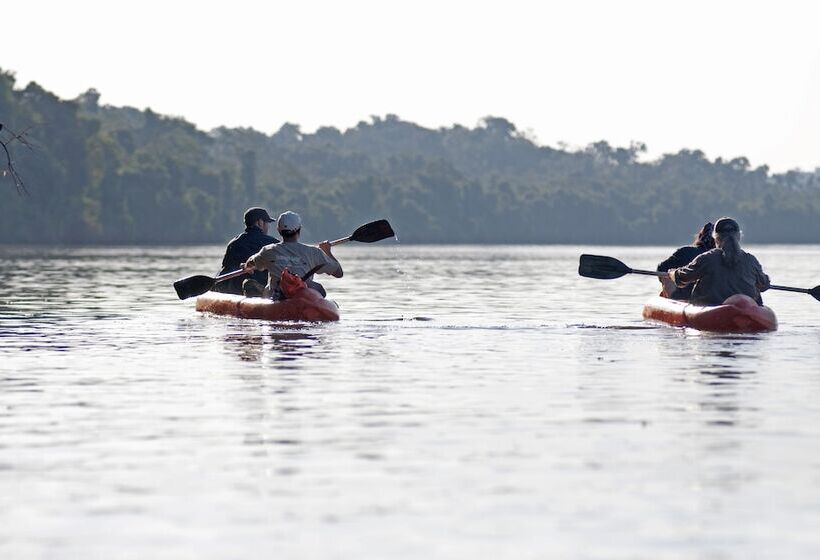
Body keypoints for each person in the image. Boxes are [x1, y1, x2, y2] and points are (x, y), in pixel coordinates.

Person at [667, 217, 770, 306]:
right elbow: (764, 285)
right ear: (738, 237)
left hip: (710, 310)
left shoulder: (707, 258)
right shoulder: (751, 260)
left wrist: (672, 273)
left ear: (716, 239)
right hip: (745, 311)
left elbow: (682, 278)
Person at [241, 211, 343, 299]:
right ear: (300, 229)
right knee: (319, 289)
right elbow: (338, 273)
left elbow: (250, 263)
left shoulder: (268, 251)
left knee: (250, 284)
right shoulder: (313, 252)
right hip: (302, 298)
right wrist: (327, 251)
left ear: (279, 230)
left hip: (275, 298)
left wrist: (246, 266)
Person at [213, 207, 279, 295]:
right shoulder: (273, 243)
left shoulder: (233, 243)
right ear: (259, 222)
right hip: (261, 285)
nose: (268, 226)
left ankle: (251, 287)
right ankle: (257, 289)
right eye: (267, 223)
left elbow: (224, 269)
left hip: (235, 289)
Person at [656, 222, 715, 300]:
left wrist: (671, 278)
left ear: (701, 236)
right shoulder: (723, 256)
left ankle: (669, 296)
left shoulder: (685, 251)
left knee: (666, 275)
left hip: (683, 296)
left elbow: (661, 268)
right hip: (708, 297)